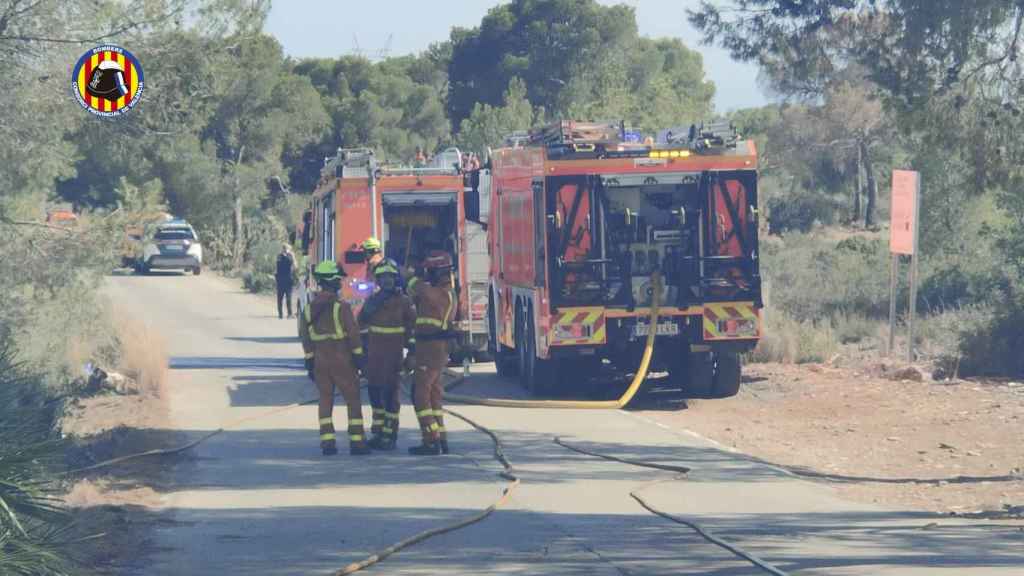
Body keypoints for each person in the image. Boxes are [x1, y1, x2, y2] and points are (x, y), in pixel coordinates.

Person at [299, 261, 370, 456]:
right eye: (338, 280)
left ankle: (327, 442)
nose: (340, 283)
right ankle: (357, 442)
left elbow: (305, 338)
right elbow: (354, 335)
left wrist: (309, 361)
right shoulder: (342, 308)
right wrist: (359, 359)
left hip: (321, 361)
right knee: (353, 399)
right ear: (332, 282)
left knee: (325, 399)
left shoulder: (308, 309)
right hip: (342, 359)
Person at [358, 259, 416, 450]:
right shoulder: (372, 301)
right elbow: (361, 322)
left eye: (390, 277)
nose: (386, 282)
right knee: (374, 392)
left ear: (395, 279)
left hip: (394, 358)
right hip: (375, 357)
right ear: (378, 280)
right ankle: (379, 431)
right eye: (383, 278)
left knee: (392, 395)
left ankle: (390, 435)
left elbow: (412, 331)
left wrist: (412, 355)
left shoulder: (404, 302)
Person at [407, 250, 457, 456]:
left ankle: (431, 438)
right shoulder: (448, 293)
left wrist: (416, 274)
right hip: (437, 349)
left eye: (430, 272)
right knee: (434, 394)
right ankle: (441, 437)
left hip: (429, 349)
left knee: (420, 394)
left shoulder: (434, 293)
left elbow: (412, 288)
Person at [275, 243, 296, 319]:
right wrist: (291, 256)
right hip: (282, 279)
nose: (286, 250)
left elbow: (295, 266)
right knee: (280, 298)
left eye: (286, 248)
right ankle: (281, 314)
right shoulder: (280, 256)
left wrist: (292, 257)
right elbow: (282, 264)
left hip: (287, 280)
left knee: (288, 298)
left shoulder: (288, 256)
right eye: (285, 248)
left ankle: (289, 314)